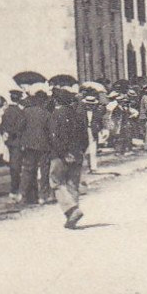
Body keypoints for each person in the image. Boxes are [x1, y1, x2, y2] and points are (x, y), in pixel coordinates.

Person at [47, 76, 90, 229]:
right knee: (73, 184)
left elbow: (54, 137)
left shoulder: (55, 115)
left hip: (60, 155)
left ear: (56, 101)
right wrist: (80, 151)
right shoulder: (77, 115)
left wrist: (64, 153)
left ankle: (71, 209)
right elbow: (85, 136)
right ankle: (72, 216)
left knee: (56, 182)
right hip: (77, 153)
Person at [17, 85, 53, 205]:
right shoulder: (47, 113)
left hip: (28, 145)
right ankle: (43, 196)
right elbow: (50, 131)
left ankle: (23, 195)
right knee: (44, 171)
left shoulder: (26, 112)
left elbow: (20, 127)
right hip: (44, 146)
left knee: (27, 170)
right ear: (44, 101)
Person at [0, 88, 28, 201]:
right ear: (19, 99)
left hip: (8, 142)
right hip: (17, 141)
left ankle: (14, 188)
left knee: (13, 166)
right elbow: (21, 128)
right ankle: (15, 189)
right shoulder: (20, 112)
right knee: (17, 166)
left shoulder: (6, 112)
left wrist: (5, 133)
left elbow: (2, 127)